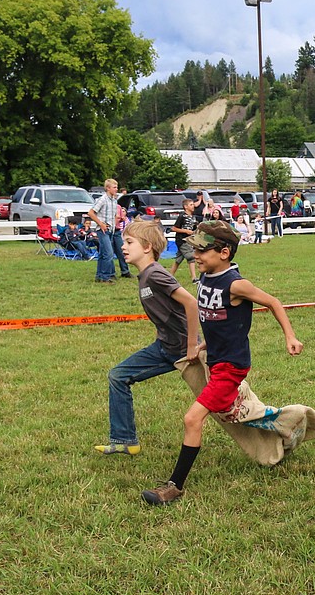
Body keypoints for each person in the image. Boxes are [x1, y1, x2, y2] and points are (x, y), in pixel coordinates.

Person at [142, 221, 303, 505]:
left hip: (230, 367)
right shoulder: (205, 278)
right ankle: (287, 427)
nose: (197, 257)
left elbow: (274, 302)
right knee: (236, 414)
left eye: (203, 251)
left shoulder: (236, 284)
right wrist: (204, 344)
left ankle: (174, 487)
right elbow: (215, 318)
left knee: (193, 418)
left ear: (224, 252)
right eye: (195, 251)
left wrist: (290, 337)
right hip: (215, 359)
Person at [96, 222, 200, 457]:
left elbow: (191, 303)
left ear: (147, 247)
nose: (123, 247)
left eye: (129, 242)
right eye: (124, 242)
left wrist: (192, 345)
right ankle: (125, 441)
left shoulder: (154, 274)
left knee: (225, 404)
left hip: (183, 351)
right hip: (165, 347)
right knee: (118, 375)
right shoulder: (144, 276)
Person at [87, 179, 132, 284]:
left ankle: (100, 275)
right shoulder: (102, 199)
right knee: (108, 253)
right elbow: (91, 213)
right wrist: (101, 223)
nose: (116, 189)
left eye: (117, 187)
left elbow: (114, 215)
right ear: (108, 188)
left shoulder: (114, 200)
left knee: (103, 253)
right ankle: (105, 276)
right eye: (114, 187)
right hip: (102, 230)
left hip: (111, 230)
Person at [169, 198, 199, 281]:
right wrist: (185, 231)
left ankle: (170, 276)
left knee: (178, 259)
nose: (193, 206)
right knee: (191, 257)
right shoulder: (182, 216)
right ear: (186, 207)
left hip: (189, 240)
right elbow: (174, 228)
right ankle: (194, 278)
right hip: (182, 240)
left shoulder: (193, 217)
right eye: (191, 205)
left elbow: (194, 228)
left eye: (193, 204)